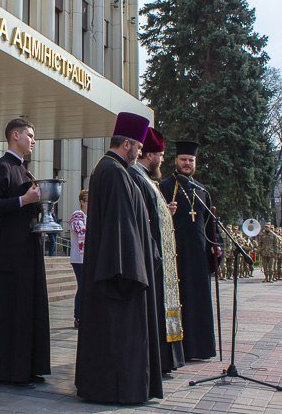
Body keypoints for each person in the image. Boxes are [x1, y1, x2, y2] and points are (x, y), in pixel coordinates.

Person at [76, 112, 163, 403]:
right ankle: (117, 389)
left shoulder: (112, 170)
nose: (140, 152)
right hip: (120, 275)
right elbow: (121, 227)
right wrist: (132, 272)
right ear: (126, 145)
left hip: (120, 268)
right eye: (138, 147)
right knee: (119, 335)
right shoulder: (113, 172)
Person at [0, 118, 48, 389]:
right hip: (10, 251)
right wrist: (23, 200)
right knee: (11, 309)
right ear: (15, 135)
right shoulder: (1, 167)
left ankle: (29, 366)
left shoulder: (26, 170)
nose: (33, 140)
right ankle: (8, 369)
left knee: (29, 306)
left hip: (29, 247)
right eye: (30, 135)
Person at [127, 127, 184, 373]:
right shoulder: (137, 178)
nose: (162, 160)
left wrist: (165, 213)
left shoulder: (148, 179)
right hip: (151, 257)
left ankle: (166, 359)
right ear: (149, 155)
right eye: (160, 155)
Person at [158, 141, 221, 361]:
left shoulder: (202, 191)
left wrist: (216, 246)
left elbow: (210, 223)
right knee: (180, 301)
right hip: (176, 256)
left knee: (200, 302)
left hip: (199, 257)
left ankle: (201, 349)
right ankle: (180, 350)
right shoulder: (165, 187)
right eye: (184, 160)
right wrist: (167, 213)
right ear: (176, 161)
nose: (187, 164)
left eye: (191, 161)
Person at [68, 189, 88, 329]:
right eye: (88, 201)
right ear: (82, 202)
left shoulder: (91, 216)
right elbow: (80, 230)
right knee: (82, 287)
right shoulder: (78, 215)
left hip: (89, 258)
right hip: (79, 259)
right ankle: (78, 317)